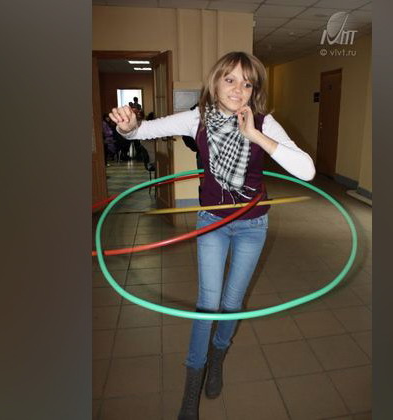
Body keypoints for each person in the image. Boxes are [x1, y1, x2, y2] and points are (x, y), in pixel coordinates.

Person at [109, 51, 315, 420]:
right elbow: (141, 131)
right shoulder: (196, 119)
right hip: (212, 223)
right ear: (215, 82)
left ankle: (218, 357)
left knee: (232, 305)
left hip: (253, 225)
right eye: (230, 79)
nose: (238, 89)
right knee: (208, 304)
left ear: (254, 90)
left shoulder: (264, 122)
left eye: (247, 83)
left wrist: (254, 134)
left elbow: (307, 171)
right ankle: (193, 384)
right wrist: (127, 126)